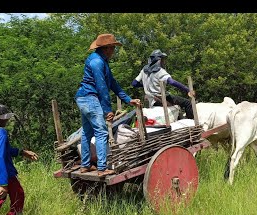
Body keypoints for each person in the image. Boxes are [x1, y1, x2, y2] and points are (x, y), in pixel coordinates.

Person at [75, 33, 140, 176]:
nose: (114, 51)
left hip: (83, 98)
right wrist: (107, 110)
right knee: (101, 131)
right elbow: (102, 87)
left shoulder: (101, 61)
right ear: (107, 48)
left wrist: (128, 99)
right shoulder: (97, 62)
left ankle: (85, 165)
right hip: (90, 98)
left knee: (87, 132)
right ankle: (102, 168)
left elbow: (112, 83)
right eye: (113, 48)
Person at [131, 49, 195, 119]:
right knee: (187, 103)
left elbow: (134, 83)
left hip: (151, 100)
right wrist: (187, 90)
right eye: (163, 59)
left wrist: (146, 85)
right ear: (159, 60)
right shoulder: (160, 71)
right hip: (161, 98)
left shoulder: (144, 70)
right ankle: (191, 121)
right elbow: (172, 82)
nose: (164, 61)